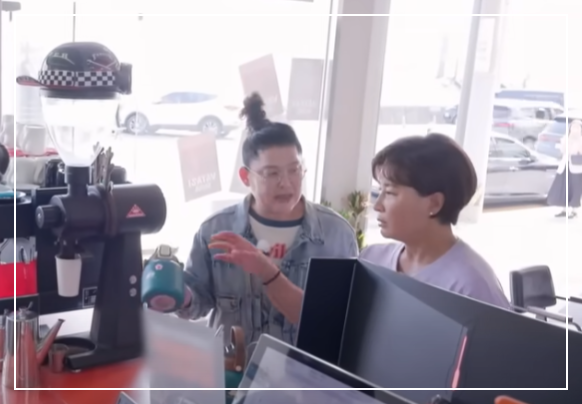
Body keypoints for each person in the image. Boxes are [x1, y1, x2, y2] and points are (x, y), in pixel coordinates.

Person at [176, 92, 359, 346]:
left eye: (294, 170)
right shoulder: (216, 230)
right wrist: (178, 295)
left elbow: (340, 321)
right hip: (234, 368)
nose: (286, 183)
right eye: (271, 173)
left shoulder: (335, 234)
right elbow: (198, 302)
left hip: (302, 370)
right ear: (245, 177)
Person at [359, 133, 510, 309]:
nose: (377, 205)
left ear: (434, 203)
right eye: (380, 191)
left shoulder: (472, 285)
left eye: (390, 192)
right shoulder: (371, 259)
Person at [547, 119, 582, 218]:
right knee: (563, 187)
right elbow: (563, 150)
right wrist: (568, 140)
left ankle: (574, 210)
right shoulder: (565, 138)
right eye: (573, 127)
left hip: (577, 168)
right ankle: (564, 209)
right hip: (565, 166)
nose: (575, 129)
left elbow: (578, 151)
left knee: (575, 189)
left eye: (577, 127)